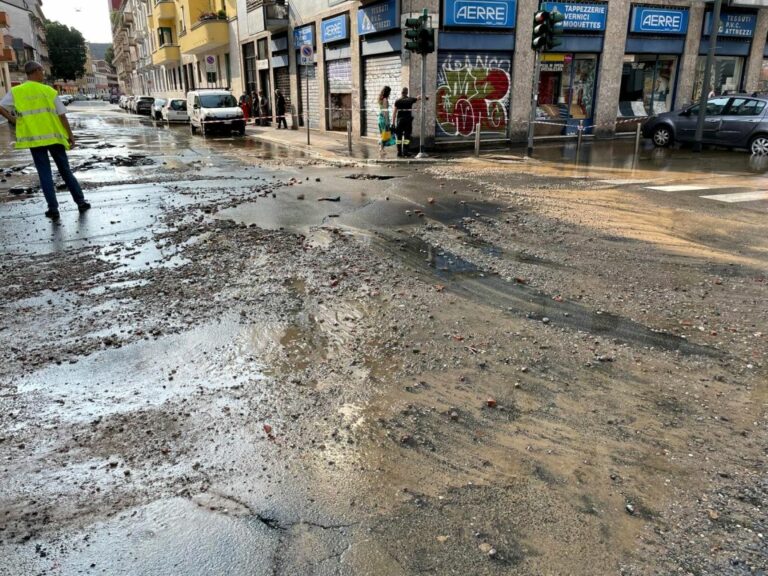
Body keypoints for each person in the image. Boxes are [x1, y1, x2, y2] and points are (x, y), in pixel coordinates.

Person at [0, 61, 90, 220]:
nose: (43, 73)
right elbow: (62, 115)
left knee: (44, 173)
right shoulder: (48, 91)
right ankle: (80, 202)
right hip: (54, 137)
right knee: (65, 170)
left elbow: (1, 106)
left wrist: (12, 119)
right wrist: (70, 135)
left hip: (35, 139)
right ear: (35, 71)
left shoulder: (17, 92)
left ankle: (53, 209)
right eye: (41, 70)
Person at [393, 87, 420, 158]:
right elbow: (417, 98)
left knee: (399, 137)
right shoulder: (410, 100)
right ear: (407, 92)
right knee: (407, 137)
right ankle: (405, 152)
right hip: (408, 121)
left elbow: (394, 113)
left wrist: (393, 122)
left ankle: (399, 152)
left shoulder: (397, 101)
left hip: (399, 121)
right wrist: (425, 97)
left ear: (401, 92)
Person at [377, 86, 395, 156]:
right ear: (388, 92)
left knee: (384, 134)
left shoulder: (381, 99)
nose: (390, 93)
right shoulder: (385, 100)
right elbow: (385, 111)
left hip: (380, 118)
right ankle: (381, 148)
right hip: (383, 119)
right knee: (384, 135)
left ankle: (382, 149)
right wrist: (387, 121)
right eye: (389, 92)